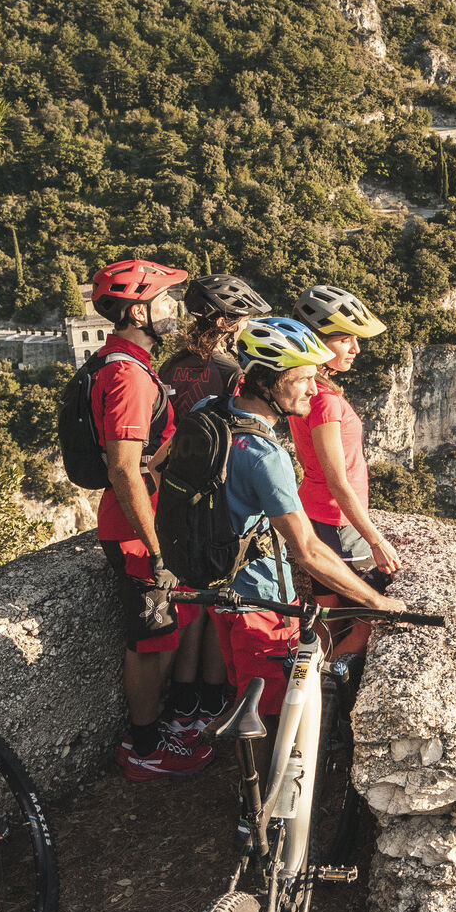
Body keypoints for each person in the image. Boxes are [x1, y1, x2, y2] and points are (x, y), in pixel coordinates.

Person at [204, 317, 410, 713]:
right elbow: (308, 551)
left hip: (216, 582)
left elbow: (160, 467)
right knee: (266, 713)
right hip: (261, 598)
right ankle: (266, 770)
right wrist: (378, 604)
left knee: (246, 696)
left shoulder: (209, 413)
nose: (314, 390)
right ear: (269, 381)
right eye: (303, 379)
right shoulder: (266, 456)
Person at [83, 258, 214, 780]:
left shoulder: (123, 360)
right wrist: (158, 549)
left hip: (146, 524)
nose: (174, 311)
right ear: (138, 309)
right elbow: (123, 468)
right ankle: (141, 746)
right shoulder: (128, 376)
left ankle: (153, 732)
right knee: (150, 639)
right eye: (165, 301)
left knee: (163, 632)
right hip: (138, 531)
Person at [150, 271, 271, 741]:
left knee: (188, 607)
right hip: (217, 499)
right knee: (220, 602)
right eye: (240, 318)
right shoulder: (231, 373)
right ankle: (217, 700)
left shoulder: (169, 367)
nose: (244, 327)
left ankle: (184, 706)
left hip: (173, 491)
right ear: (224, 320)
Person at [290, 285, 403, 668]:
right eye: (344, 339)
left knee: (327, 620)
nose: (355, 348)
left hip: (318, 517)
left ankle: (310, 706)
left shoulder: (309, 392)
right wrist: (376, 540)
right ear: (318, 344)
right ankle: (328, 692)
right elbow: (337, 479)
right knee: (367, 623)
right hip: (338, 525)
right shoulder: (325, 402)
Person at [157, 273, 271, 405]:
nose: (247, 326)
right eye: (245, 320)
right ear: (222, 324)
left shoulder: (169, 366)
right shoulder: (232, 374)